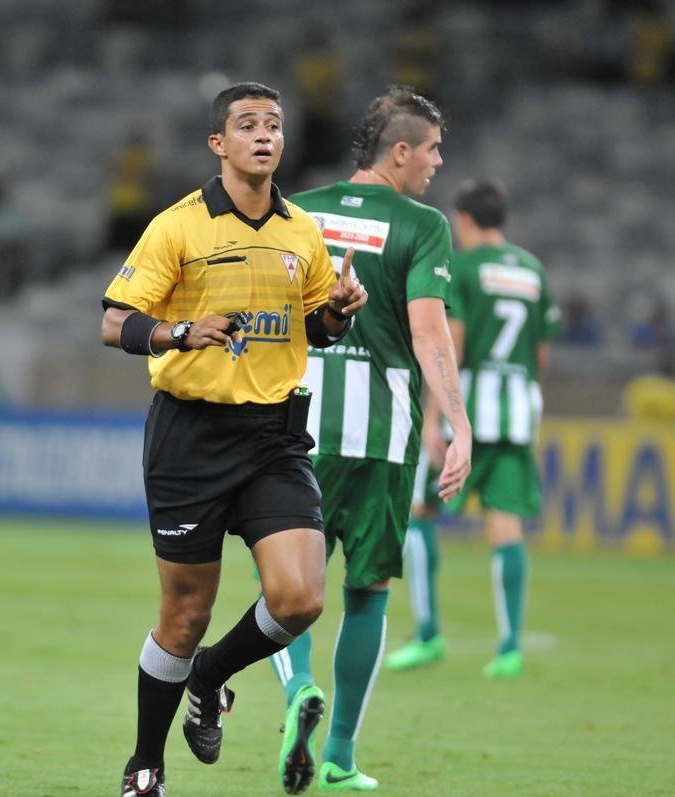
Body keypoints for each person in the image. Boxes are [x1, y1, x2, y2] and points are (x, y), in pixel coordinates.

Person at [101, 81, 369, 797]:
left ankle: (213, 675)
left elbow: (315, 328)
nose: (265, 134)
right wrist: (179, 331)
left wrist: (339, 314)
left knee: (301, 596)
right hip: (190, 435)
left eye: (275, 124)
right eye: (247, 124)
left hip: (273, 438)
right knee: (184, 615)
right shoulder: (178, 226)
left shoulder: (301, 231)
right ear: (218, 143)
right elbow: (114, 320)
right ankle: (145, 763)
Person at [264, 85, 471, 793]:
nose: (439, 163)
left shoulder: (298, 211)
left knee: (286, 586)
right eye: (434, 149)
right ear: (402, 151)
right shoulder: (422, 224)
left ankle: (296, 688)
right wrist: (459, 421)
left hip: (296, 428)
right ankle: (340, 755)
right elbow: (426, 329)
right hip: (381, 433)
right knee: (368, 591)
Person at [386, 179, 560, 679]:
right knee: (505, 526)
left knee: (418, 514)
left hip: (470, 413)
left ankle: (427, 635)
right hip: (518, 412)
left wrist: (437, 418)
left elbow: (450, 343)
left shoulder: (460, 268)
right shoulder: (532, 269)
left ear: (463, 220)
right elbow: (542, 352)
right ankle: (509, 649)